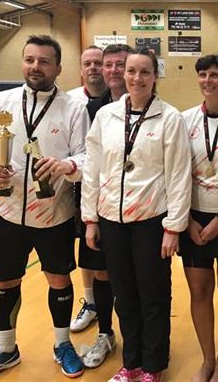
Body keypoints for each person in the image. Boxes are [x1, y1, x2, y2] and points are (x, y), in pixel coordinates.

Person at [0, 34, 89, 380]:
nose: (35, 67)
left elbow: (87, 156)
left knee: (59, 279)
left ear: (58, 68)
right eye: (29, 60)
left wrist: (68, 165)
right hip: (5, 211)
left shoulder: (73, 108)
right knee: (4, 280)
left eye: (44, 61)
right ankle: (5, 348)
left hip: (54, 213)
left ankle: (62, 344)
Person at [81, 48, 192, 382]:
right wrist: (91, 219)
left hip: (151, 222)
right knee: (124, 295)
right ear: (123, 74)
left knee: (153, 295)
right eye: (131, 71)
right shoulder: (107, 116)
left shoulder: (170, 118)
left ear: (155, 76)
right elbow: (93, 169)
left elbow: (179, 175)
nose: (137, 78)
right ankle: (131, 363)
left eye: (145, 72)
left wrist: (173, 227)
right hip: (111, 220)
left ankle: (153, 365)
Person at [70, 44, 132, 369]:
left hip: (138, 209)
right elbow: (86, 161)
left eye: (121, 64)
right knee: (101, 272)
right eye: (109, 65)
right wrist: (89, 215)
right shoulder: (91, 109)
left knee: (135, 277)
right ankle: (106, 333)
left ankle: (139, 339)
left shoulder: (154, 108)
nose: (113, 71)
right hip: (99, 205)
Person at [181, 54, 218, 382]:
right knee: (200, 292)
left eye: (215, 75)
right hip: (194, 219)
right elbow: (177, 173)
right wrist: (187, 219)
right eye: (203, 74)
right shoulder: (185, 120)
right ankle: (206, 360)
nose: (208, 80)